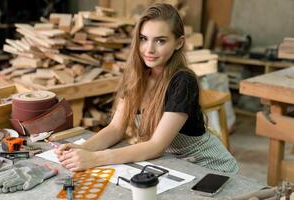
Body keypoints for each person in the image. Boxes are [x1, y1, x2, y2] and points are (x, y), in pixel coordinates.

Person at [55, 3, 239, 173]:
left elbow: (156, 145)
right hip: (176, 164)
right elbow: (116, 129)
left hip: (210, 166)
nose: (148, 49)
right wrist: (82, 148)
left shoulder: (183, 81)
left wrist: (94, 159)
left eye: (160, 41)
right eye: (144, 39)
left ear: (179, 42)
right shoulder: (136, 76)